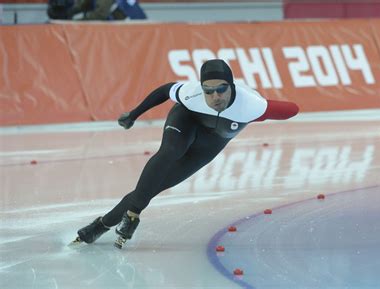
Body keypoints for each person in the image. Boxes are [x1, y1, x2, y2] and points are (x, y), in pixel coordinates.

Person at [71, 59, 299, 249]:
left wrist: (259, 114)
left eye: (222, 89)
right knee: (170, 152)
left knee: (155, 186)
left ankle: (101, 225)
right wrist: (134, 114)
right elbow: (164, 90)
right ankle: (132, 215)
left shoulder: (252, 105)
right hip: (187, 120)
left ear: (232, 86)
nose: (215, 96)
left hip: (211, 143)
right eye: (208, 91)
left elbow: (291, 110)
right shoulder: (192, 94)